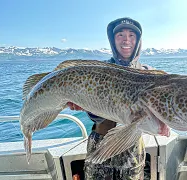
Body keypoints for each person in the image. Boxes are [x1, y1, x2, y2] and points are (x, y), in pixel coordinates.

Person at [68, 17, 154, 180]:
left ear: (138, 41)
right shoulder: (98, 71)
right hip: (100, 143)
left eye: (131, 35)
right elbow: (94, 116)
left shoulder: (149, 74)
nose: (126, 40)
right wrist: (83, 104)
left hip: (132, 149)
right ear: (113, 40)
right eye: (120, 35)